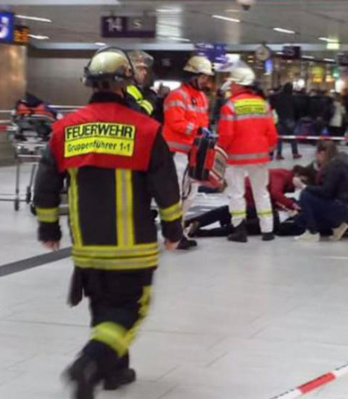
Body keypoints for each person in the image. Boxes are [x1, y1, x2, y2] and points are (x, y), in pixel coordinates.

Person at [33, 47, 183, 399]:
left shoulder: (65, 129)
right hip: (133, 248)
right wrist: (174, 230)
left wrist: (49, 228)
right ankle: (89, 363)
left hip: (87, 248)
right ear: (125, 83)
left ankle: (115, 371)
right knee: (130, 310)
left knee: (102, 306)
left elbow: (46, 184)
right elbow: (166, 187)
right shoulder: (145, 129)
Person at [217, 63, 278, 243]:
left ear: (239, 85)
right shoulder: (263, 105)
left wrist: (221, 151)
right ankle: (267, 230)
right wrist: (268, 149)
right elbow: (272, 133)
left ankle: (239, 230)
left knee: (236, 193)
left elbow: (226, 135)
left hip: (235, 158)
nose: (231, 87)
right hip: (259, 157)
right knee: (261, 192)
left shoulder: (230, 106)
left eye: (232, 83)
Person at [162, 55, 214, 250]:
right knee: (177, 195)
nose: (206, 81)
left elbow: (204, 122)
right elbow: (176, 123)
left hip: (194, 153)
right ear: (192, 76)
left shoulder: (200, 97)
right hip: (177, 154)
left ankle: (178, 233)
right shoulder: (177, 96)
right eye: (203, 77)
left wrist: (203, 135)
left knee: (190, 195)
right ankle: (173, 235)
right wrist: (197, 130)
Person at [186, 168, 302, 238]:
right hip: (259, 206)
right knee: (233, 218)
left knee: (231, 216)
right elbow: (276, 193)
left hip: (267, 212)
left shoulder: (283, 178)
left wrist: (292, 211)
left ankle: (191, 225)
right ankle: (197, 229)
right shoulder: (284, 175)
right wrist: (292, 206)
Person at [295, 141, 348, 242]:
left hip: (341, 207)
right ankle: (337, 226)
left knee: (305, 195)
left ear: (322, 153)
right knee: (301, 219)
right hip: (345, 206)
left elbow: (326, 192)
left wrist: (304, 186)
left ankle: (312, 232)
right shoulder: (337, 163)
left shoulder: (332, 167)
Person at [125, 50, 158, 119]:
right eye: (140, 69)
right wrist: (152, 95)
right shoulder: (125, 91)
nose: (145, 72)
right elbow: (140, 116)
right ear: (130, 70)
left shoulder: (134, 89)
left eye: (145, 69)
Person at [273, 83, 300, 160]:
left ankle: (279, 154)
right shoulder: (292, 97)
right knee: (292, 136)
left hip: (279, 118)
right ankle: (295, 153)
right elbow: (296, 108)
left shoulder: (278, 97)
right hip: (289, 118)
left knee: (280, 137)